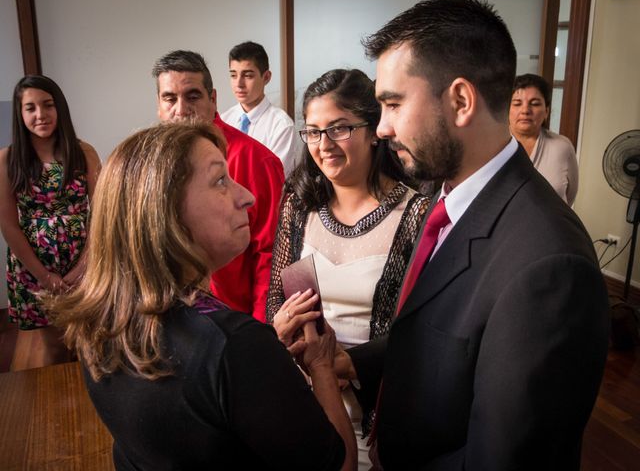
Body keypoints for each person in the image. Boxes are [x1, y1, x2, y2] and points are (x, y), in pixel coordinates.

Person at [330, 0, 609, 469]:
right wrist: (355, 362)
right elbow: (441, 331)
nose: (381, 129)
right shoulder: (444, 197)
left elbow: (503, 459)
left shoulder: (549, 268)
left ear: (460, 100)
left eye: (393, 104)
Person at [51, 122, 357, 470]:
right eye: (220, 181)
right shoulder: (235, 346)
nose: (247, 196)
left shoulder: (101, 317)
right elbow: (340, 464)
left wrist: (265, 357)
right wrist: (320, 365)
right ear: (166, 212)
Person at [266, 68, 429, 469]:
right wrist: (285, 330)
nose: (324, 145)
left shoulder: (415, 213)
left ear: (374, 130)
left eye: (339, 129)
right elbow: (276, 293)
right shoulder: (299, 202)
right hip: (303, 386)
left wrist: (347, 365)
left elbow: (420, 330)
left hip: (376, 399)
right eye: (313, 131)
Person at [152, 50, 284, 322]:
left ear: (212, 99)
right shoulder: (152, 164)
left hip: (234, 320)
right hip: (172, 317)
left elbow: (270, 253)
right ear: (159, 105)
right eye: (170, 98)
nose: (181, 110)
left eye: (192, 96)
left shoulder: (255, 159)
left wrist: (262, 329)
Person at [0, 75, 101, 371]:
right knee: (54, 349)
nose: (40, 115)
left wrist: (83, 265)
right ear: (20, 114)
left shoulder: (84, 152)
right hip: (34, 268)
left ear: (60, 109)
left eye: (48, 105)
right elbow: (8, 225)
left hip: (85, 261)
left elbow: (101, 213)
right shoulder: (8, 160)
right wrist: (46, 277)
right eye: (30, 108)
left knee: (92, 344)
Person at [222, 41, 299, 176]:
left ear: (266, 77)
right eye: (233, 75)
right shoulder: (224, 120)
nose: (239, 84)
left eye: (248, 75)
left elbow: (275, 179)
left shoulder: (281, 126)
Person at [510, 73, 579, 205]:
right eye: (517, 103)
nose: (525, 110)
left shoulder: (562, 147)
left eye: (535, 104)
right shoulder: (494, 146)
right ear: (507, 109)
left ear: (546, 111)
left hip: (553, 224)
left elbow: (570, 195)